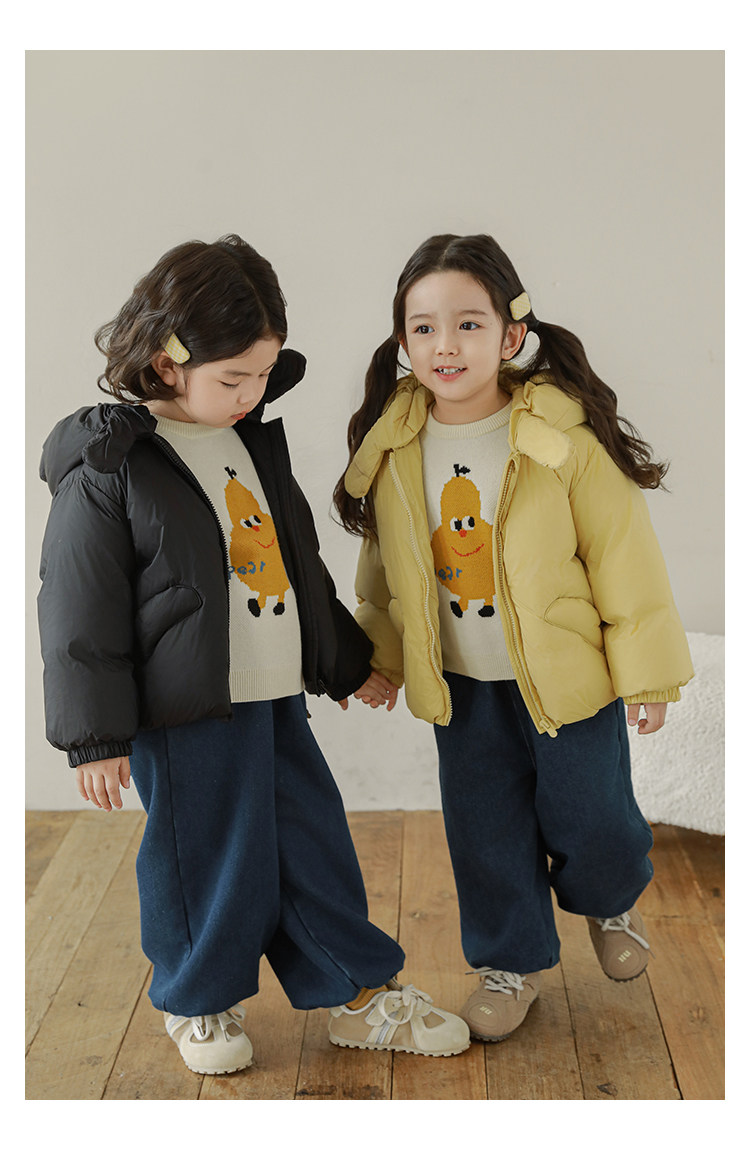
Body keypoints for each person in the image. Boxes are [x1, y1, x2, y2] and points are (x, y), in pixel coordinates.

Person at [37, 234, 470, 1075]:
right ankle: (197, 998)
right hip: (184, 710)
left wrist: (346, 664)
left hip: (273, 696)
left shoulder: (249, 441)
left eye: (263, 375)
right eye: (233, 378)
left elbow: (296, 569)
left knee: (311, 841)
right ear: (165, 362)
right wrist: (94, 738)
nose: (251, 394)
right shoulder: (110, 462)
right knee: (203, 856)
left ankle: (356, 991)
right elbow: (78, 609)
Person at [333, 233, 694, 1043]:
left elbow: (623, 556)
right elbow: (384, 575)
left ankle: (610, 902)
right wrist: (378, 660)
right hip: (464, 692)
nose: (445, 344)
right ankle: (510, 964)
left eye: (468, 323)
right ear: (402, 342)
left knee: (594, 821)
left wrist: (647, 674)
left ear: (511, 334)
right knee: (486, 837)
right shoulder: (395, 447)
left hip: (568, 684)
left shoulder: (558, 438)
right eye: (423, 327)